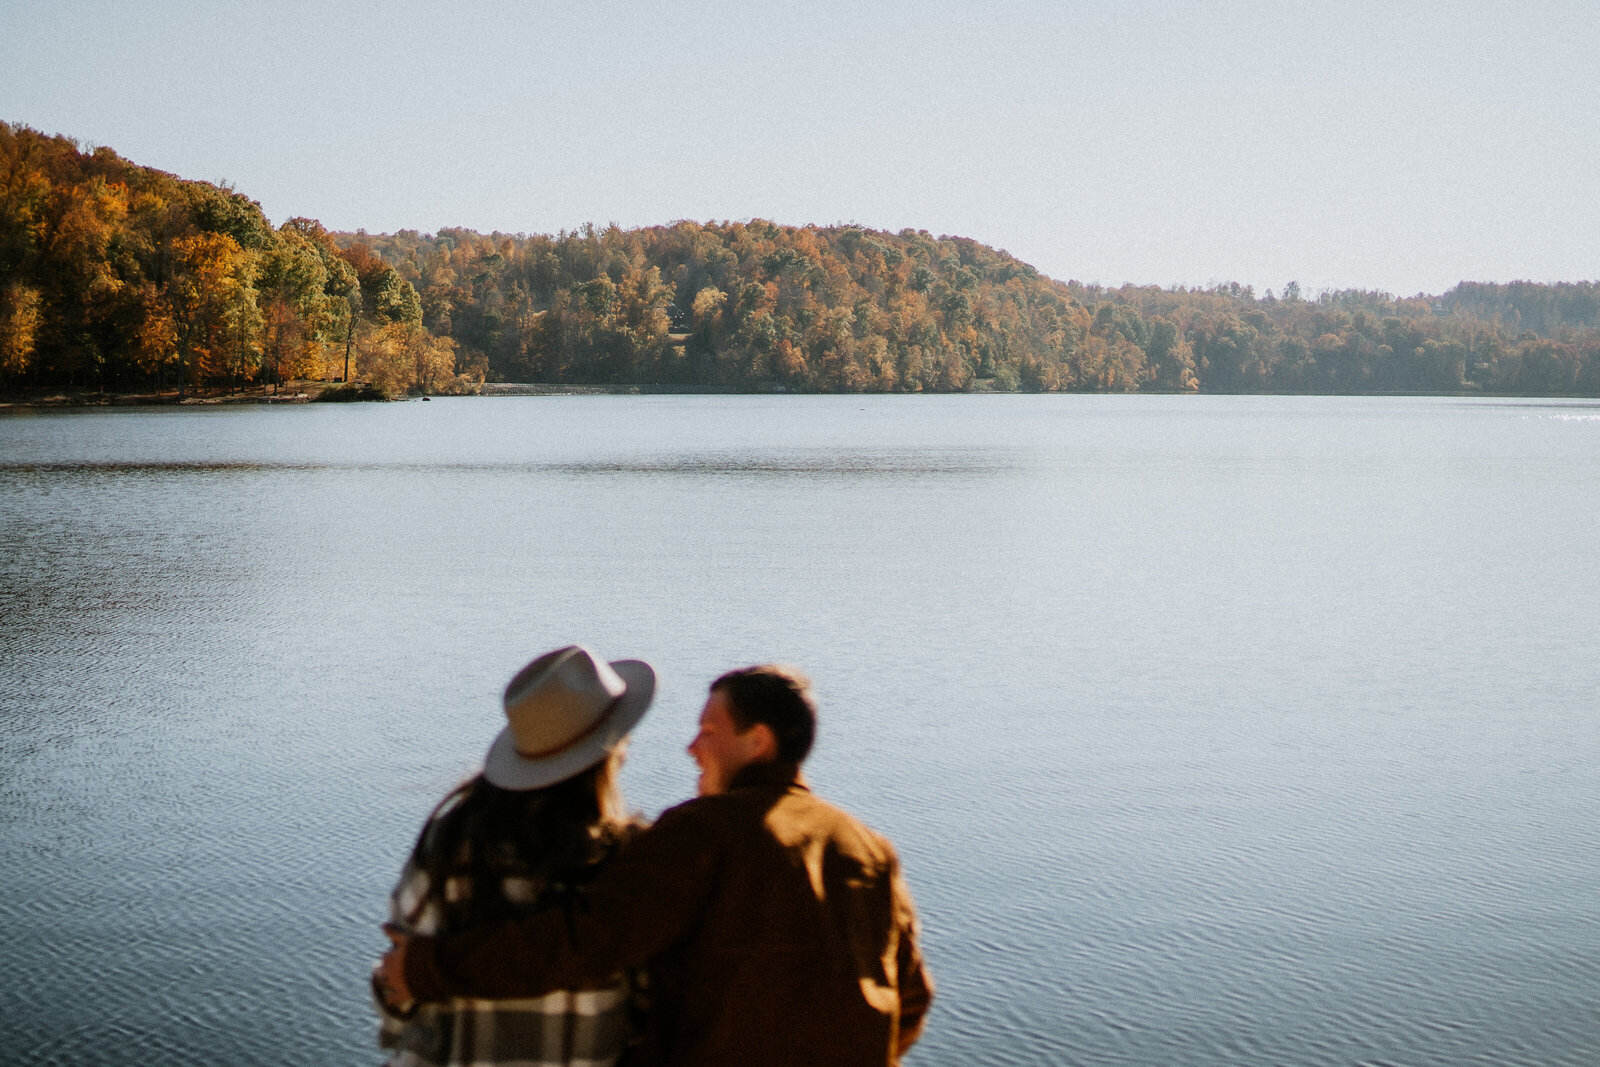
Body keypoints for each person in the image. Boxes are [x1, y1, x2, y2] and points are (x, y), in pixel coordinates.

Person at [380, 664, 933, 1067]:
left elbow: (583, 945)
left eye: (709, 732)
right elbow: (911, 999)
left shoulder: (700, 834)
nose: (691, 747)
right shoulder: (871, 850)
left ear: (757, 741)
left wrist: (426, 969)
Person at [374, 644, 655, 1067]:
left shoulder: (452, 846)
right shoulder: (631, 861)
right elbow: (654, 1005)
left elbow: (396, 995)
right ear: (612, 750)